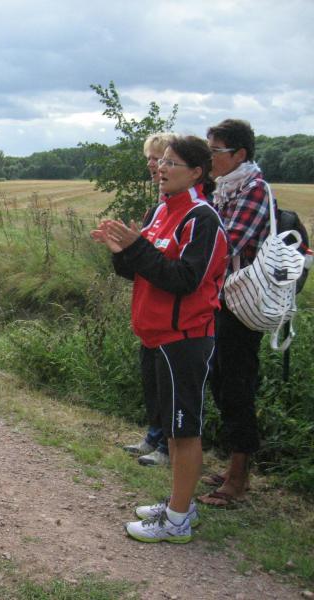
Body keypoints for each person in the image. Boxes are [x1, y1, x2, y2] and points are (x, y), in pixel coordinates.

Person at [92, 135, 228, 543]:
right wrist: (122, 252)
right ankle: (179, 503)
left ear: (196, 172)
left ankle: (177, 521)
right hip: (155, 335)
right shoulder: (161, 211)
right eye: (161, 161)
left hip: (184, 338)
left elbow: (186, 279)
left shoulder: (201, 219)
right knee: (171, 428)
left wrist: (138, 249)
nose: (161, 168)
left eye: (171, 163)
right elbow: (141, 270)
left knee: (184, 432)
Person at [198, 119, 270, 508]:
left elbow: (227, 243)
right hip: (221, 298)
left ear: (239, 154)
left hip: (241, 304)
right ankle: (233, 467)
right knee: (221, 380)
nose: (210, 158)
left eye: (216, 151)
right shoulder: (226, 188)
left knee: (237, 384)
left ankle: (239, 476)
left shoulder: (254, 190)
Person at [121, 133, 174, 468]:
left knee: (170, 385)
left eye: (160, 159)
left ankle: (169, 445)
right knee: (152, 378)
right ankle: (155, 435)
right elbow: (141, 262)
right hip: (150, 309)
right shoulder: (157, 209)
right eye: (150, 159)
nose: (154, 166)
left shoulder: (193, 211)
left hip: (174, 314)